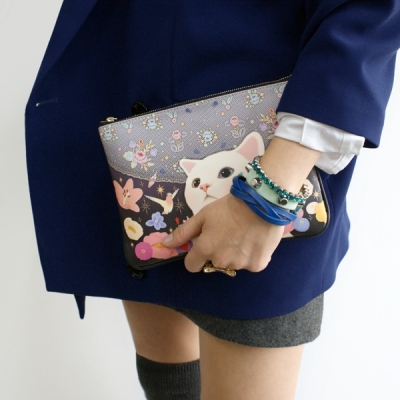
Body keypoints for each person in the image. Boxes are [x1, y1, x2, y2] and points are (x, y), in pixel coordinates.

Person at [26, 1, 400, 399]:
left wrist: (265, 197)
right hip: (139, 141)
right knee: (167, 385)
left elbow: (366, 12)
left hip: (269, 156)